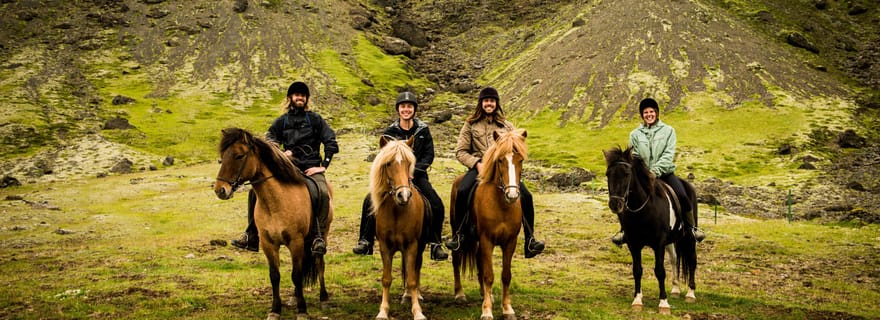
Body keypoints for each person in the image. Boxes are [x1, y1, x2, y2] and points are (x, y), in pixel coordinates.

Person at [231, 81, 339, 255]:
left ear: (307, 99)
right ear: (290, 98)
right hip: (287, 168)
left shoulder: (315, 120)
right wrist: (280, 153)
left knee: (322, 192)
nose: (300, 97)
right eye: (297, 95)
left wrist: (323, 166)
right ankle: (251, 235)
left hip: (311, 168)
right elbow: (270, 140)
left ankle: (318, 236)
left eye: (303, 95)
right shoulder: (281, 121)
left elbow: (331, 142)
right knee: (254, 191)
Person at [445, 87, 545, 259]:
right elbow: (460, 151)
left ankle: (530, 240)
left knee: (527, 196)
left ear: (496, 104)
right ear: (481, 103)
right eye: (486, 101)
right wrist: (477, 164)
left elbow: (516, 151)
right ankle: (459, 235)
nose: (489, 104)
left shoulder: (507, 126)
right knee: (462, 190)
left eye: (492, 101)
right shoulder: (470, 124)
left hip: (503, 171)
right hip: (479, 169)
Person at [351, 91, 449, 261]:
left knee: (436, 204)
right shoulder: (390, 132)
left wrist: (413, 171)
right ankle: (365, 240)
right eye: (403, 106)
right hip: (393, 180)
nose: (406, 109)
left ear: (414, 110)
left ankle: (435, 244)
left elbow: (428, 155)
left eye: (409, 106)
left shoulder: (423, 130)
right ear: (398, 109)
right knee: (369, 200)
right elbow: (383, 157)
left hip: (416, 176)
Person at [611, 97, 706, 246]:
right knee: (626, 197)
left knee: (683, 195)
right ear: (642, 115)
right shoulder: (635, 134)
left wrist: (655, 171)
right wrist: (642, 172)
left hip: (665, 174)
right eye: (645, 112)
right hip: (642, 177)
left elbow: (668, 155)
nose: (649, 115)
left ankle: (691, 228)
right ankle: (624, 231)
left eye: (651, 112)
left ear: (656, 113)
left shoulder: (668, 131)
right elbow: (633, 157)